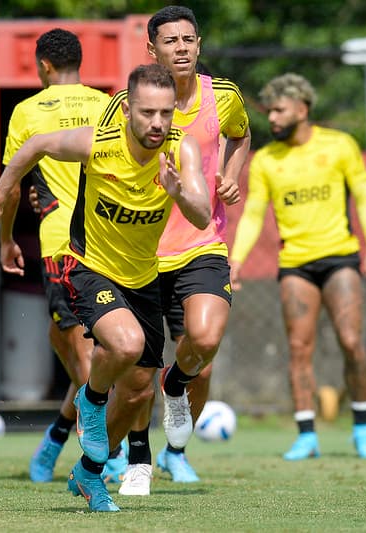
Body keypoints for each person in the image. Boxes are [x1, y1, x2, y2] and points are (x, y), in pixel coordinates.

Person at [0, 63, 211, 512]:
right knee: (125, 343)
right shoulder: (99, 142)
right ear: (127, 113)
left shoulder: (182, 151)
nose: (157, 124)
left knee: (139, 391)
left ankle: (89, 473)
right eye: (147, 113)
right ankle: (90, 398)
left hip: (144, 281)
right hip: (90, 268)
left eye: (165, 114)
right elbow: (35, 145)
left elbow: (200, 216)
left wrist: (179, 193)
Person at [95, 5, 250, 493]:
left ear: (199, 45)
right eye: (170, 41)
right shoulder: (124, 103)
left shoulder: (222, 95)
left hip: (201, 244)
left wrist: (229, 174)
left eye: (188, 39)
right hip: (136, 254)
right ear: (152, 50)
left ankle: (175, 439)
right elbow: (97, 162)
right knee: (135, 380)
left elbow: (242, 134)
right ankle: (118, 456)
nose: (181, 48)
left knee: (201, 347)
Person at [230, 73, 366, 461]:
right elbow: (252, 214)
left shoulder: (339, 145)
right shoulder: (265, 160)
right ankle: (306, 435)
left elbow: (364, 197)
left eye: (280, 110)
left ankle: (363, 428)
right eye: (269, 112)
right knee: (299, 348)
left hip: (340, 259)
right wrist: (235, 260)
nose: (273, 119)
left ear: (303, 108)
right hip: (295, 265)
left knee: (351, 343)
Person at [0, 28, 113, 484]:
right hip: (109, 241)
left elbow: (11, 188)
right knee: (63, 341)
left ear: (43, 65)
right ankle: (57, 435)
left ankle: (103, 459)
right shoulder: (107, 104)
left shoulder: (28, 111)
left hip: (63, 244)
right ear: (78, 62)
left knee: (87, 357)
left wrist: (7, 239)